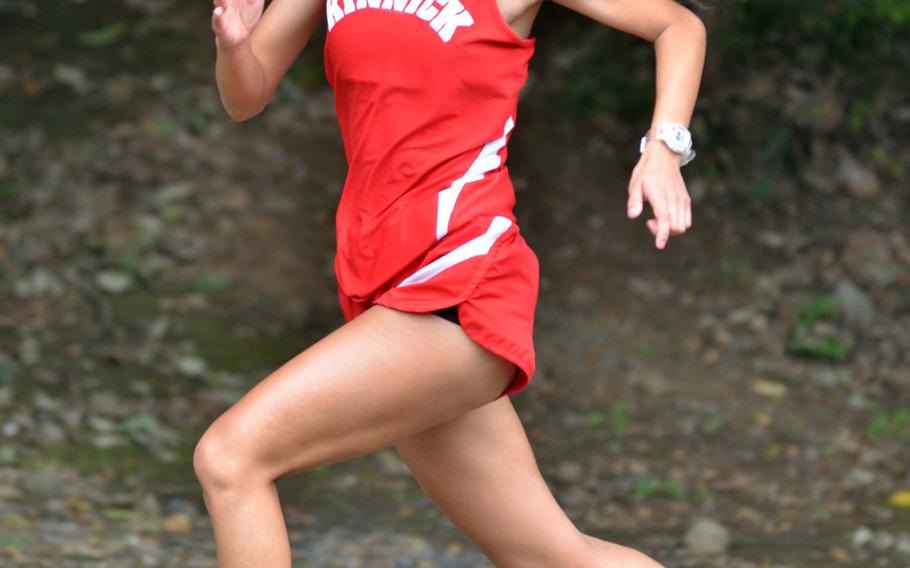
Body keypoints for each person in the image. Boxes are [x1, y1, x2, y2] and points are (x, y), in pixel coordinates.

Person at [196, 0, 706, 565]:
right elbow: (246, 95)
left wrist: (663, 149)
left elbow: (676, 25)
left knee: (231, 457)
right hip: (383, 285)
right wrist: (235, 48)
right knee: (553, 557)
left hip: (461, 278)